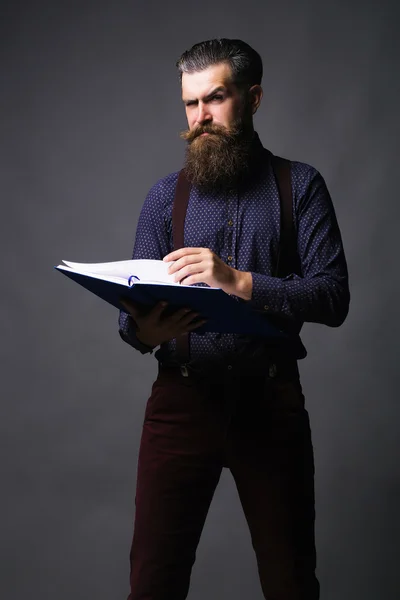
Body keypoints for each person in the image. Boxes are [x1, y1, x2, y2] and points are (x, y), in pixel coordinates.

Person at [119, 38, 349, 600]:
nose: (200, 118)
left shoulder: (302, 187)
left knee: (291, 583)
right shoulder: (161, 199)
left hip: (270, 405)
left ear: (253, 98)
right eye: (190, 105)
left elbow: (333, 298)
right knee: (153, 585)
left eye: (215, 99)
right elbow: (133, 322)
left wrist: (239, 283)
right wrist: (145, 332)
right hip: (180, 404)